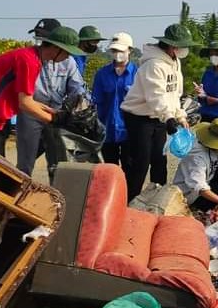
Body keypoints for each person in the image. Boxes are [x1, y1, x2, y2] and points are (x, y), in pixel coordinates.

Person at [0, 25, 85, 156]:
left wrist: (55, 113)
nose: (68, 57)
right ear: (56, 48)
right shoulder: (29, 61)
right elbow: (25, 103)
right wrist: (55, 120)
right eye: (67, 52)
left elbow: (29, 100)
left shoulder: (32, 57)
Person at [119, 23, 195, 200]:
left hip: (159, 117)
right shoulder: (153, 65)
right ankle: (128, 201)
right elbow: (156, 95)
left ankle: (157, 199)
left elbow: (174, 93)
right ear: (172, 46)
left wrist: (179, 115)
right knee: (140, 162)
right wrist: (168, 117)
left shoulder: (175, 63)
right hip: (139, 118)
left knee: (160, 160)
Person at [17, 19, 86, 176]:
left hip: (56, 112)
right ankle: (16, 194)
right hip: (30, 112)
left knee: (58, 162)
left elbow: (77, 87)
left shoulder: (68, 62)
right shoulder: (30, 58)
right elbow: (24, 97)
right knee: (25, 162)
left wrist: (80, 104)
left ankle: (56, 197)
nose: (40, 41)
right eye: (38, 37)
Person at [91, 32, 137, 166]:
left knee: (130, 168)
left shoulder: (138, 74)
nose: (117, 53)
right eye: (114, 50)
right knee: (110, 169)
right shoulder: (102, 74)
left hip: (130, 130)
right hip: (107, 130)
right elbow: (96, 101)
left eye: (121, 50)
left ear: (130, 50)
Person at [196, 36, 218, 122]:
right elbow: (202, 98)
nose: (213, 57)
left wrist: (216, 101)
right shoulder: (207, 73)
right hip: (205, 116)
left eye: (217, 54)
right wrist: (201, 94)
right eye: (211, 54)